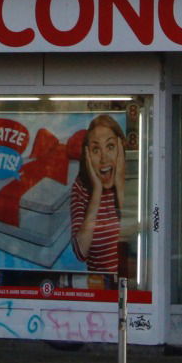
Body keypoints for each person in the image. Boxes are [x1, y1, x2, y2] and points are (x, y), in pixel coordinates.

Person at [70, 114, 127, 274]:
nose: (103, 158)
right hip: (100, 286)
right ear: (87, 155)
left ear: (120, 149)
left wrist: (120, 184)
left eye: (110, 146)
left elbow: (140, 239)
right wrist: (97, 191)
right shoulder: (81, 188)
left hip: (134, 284)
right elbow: (81, 252)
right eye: (96, 149)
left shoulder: (136, 177)